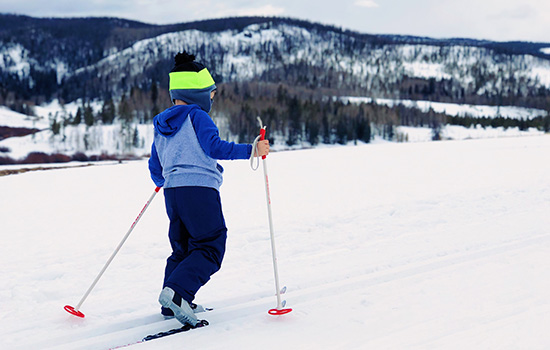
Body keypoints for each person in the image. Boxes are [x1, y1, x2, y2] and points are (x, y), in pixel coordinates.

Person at [148, 51, 269, 326]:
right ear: (198, 93)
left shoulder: (161, 123)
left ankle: (173, 302)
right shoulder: (197, 116)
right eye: (211, 94)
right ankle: (178, 294)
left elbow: (155, 165)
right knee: (210, 245)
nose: (212, 100)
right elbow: (215, 147)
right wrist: (252, 150)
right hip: (200, 190)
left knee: (183, 248)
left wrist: (161, 181)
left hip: (173, 193)